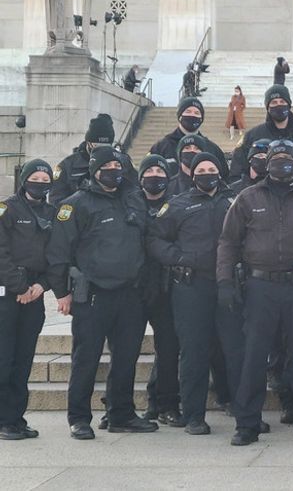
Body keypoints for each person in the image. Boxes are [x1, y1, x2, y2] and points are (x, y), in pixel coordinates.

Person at [216, 139, 293, 446]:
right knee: (253, 357)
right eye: (276, 158)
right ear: (266, 163)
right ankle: (247, 423)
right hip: (260, 289)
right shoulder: (247, 198)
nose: (281, 163)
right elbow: (228, 242)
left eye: (287, 158)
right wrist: (225, 283)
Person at [47, 146, 157, 440]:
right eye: (107, 165)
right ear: (95, 170)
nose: (114, 170)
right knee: (87, 359)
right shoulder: (75, 204)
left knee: (126, 358)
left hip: (130, 294)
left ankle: (121, 413)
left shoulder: (133, 199)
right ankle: (79, 418)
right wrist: (61, 292)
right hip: (93, 296)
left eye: (117, 164)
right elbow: (58, 251)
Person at [147, 152, 234, 435]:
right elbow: (154, 238)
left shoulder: (233, 202)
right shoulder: (177, 204)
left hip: (227, 285)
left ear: (220, 173)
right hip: (191, 287)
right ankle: (194, 415)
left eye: (212, 169)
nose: (207, 173)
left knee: (233, 349)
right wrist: (179, 257)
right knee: (193, 351)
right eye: (202, 169)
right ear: (193, 175)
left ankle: (241, 408)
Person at [0, 159, 55, 440]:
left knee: (23, 361)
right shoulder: (6, 209)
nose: (40, 184)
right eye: (35, 178)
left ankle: (15, 418)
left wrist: (41, 286)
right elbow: (1, 253)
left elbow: (57, 256)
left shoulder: (53, 212)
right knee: (4, 359)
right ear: (24, 180)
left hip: (35, 293)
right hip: (8, 296)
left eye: (46, 181)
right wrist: (20, 286)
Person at [133, 155, 182, 427]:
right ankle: (118, 408)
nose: (154, 175)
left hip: (166, 287)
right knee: (125, 351)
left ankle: (166, 404)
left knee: (168, 349)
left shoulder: (176, 204)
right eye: (149, 169)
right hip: (134, 287)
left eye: (159, 170)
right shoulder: (128, 203)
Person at [228, 84, 293, 182]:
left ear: (288, 105)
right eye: (274, 102)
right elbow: (237, 171)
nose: (278, 105)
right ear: (268, 107)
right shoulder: (253, 135)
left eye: (282, 101)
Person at [51, 113, 119, 205]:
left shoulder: (120, 162)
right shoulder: (67, 166)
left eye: (106, 146)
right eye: (97, 145)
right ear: (88, 143)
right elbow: (56, 199)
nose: (101, 150)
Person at [150, 97, 208, 179]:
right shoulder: (161, 146)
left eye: (196, 113)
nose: (192, 115)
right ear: (180, 115)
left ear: (201, 118)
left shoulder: (210, 147)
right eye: (188, 112)